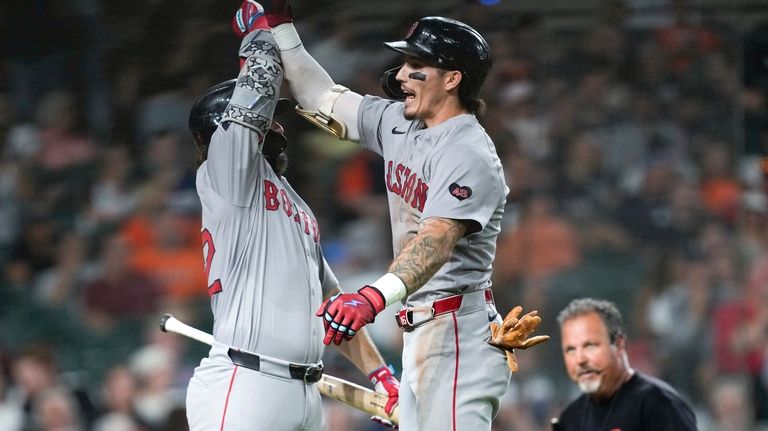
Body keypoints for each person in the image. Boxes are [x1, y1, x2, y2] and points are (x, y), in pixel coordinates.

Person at [240, 2, 526, 429]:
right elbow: (320, 97)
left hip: (457, 334)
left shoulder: (467, 152)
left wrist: (371, 298)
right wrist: (282, 28)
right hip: (421, 329)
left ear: (452, 79)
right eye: (405, 61)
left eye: (417, 65)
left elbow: (436, 242)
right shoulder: (401, 123)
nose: (402, 74)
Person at [184, 9, 398, 431]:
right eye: (270, 119)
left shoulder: (292, 201)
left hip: (303, 391)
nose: (277, 125)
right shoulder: (225, 170)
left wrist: (381, 375)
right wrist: (259, 30)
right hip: (246, 383)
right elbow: (259, 82)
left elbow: (332, 307)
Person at [553, 298, 697, 431]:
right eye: (570, 350)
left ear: (619, 345)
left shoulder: (659, 403)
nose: (580, 359)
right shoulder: (571, 417)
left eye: (590, 346)